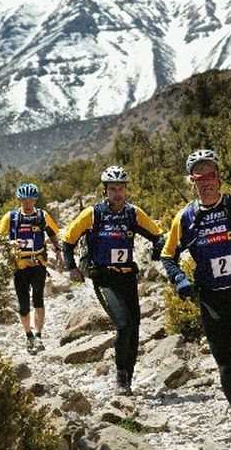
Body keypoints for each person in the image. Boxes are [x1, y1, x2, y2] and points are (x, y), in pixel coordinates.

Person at [161, 149, 231, 450]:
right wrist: (180, 279)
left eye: (211, 175)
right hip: (212, 302)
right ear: (192, 182)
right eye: (200, 178)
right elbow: (167, 256)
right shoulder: (185, 218)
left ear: (219, 176)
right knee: (226, 367)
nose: (207, 182)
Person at [62, 166, 165, 395]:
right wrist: (71, 268)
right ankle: (120, 377)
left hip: (127, 277)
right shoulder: (93, 214)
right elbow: (67, 240)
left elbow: (158, 236)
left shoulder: (133, 213)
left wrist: (159, 252)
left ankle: (128, 378)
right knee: (123, 324)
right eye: (113, 189)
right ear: (104, 190)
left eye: (121, 188)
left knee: (135, 328)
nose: (117, 193)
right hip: (104, 279)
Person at [0, 182, 63, 354]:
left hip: (38, 263)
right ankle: (28, 335)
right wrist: (10, 242)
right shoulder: (11, 217)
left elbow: (53, 233)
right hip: (19, 265)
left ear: (35, 200)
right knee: (23, 305)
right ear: (19, 199)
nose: (27, 204)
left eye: (31, 200)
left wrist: (58, 251)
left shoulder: (42, 216)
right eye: (24, 200)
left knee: (38, 298)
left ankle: (38, 336)